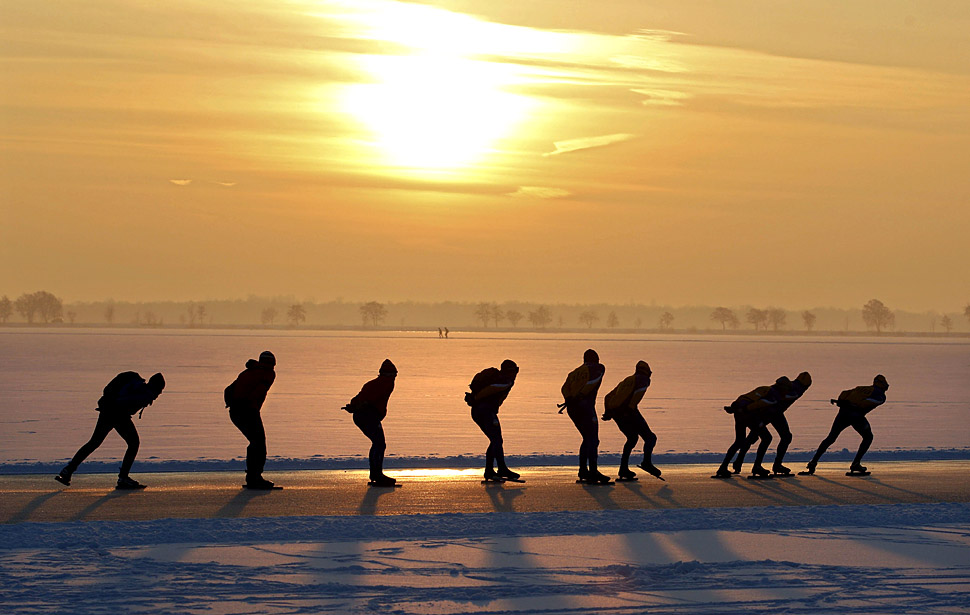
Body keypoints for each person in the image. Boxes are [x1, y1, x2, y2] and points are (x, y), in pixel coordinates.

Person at [56, 371, 166, 489]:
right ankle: (123, 478)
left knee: (94, 442)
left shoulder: (139, 387)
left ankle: (68, 470)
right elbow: (126, 405)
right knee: (133, 443)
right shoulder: (144, 393)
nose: (159, 394)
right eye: (160, 390)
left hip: (108, 412)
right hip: (117, 415)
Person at [801, 374, 889, 476]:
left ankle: (813, 463)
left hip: (843, 413)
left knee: (831, 438)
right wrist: (855, 407)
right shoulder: (880, 395)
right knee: (868, 437)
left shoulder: (861, 388)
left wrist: (842, 402)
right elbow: (866, 403)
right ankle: (856, 464)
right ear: (883, 386)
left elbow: (844, 393)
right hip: (856, 416)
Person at [732, 372, 812, 476]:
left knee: (755, 436)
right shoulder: (798, 390)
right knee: (781, 437)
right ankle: (766, 465)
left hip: (773, 412)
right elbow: (780, 395)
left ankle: (739, 461)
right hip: (770, 412)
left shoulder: (792, 385)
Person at [713, 376, 792, 479]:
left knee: (739, 441)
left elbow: (744, 397)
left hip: (739, 412)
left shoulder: (765, 388)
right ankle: (757, 467)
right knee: (767, 438)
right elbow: (761, 403)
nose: (786, 392)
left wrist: (734, 408)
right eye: (786, 390)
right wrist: (745, 409)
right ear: (782, 387)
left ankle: (723, 468)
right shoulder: (774, 395)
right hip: (748, 414)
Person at [224, 351, 277, 489]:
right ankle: (254, 477)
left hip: (239, 411)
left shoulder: (249, 372)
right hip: (247, 411)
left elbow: (230, 389)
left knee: (256, 443)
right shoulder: (265, 374)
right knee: (258, 443)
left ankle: (253, 476)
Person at [602, 360, 662, 481]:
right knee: (650, 438)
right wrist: (629, 410)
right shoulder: (643, 379)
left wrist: (608, 411)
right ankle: (646, 463)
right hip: (628, 411)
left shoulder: (627, 380)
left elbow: (608, 396)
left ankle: (623, 469)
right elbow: (636, 397)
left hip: (616, 413)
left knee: (632, 438)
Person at [344, 359, 398, 486]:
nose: (395, 378)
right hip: (367, 416)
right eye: (393, 375)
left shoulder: (376, 383)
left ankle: (376, 474)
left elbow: (359, 398)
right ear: (387, 375)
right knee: (379, 444)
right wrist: (355, 407)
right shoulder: (384, 384)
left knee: (378, 444)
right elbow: (366, 400)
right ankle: (376, 475)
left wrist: (353, 406)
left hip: (365, 415)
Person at [466, 359, 520, 481]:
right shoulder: (505, 381)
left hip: (479, 411)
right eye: (514, 371)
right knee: (496, 440)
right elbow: (491, 389)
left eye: (516, 371)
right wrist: (476, 398)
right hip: (485, 412)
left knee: (495, 440)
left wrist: (475, 399)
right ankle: (501, 469)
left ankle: (489, 471)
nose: (516, 374)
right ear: (508, 371)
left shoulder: (501, 379)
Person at [559, 349, 608, 483]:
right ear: (596, 359)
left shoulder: (574, 372)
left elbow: (564, 388)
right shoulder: (598, 368)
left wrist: (569, 398)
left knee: (587, 438)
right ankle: (592, 472)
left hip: (572, 408)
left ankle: (583, 471)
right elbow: (593, 381)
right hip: (585, 407)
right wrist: (581, 396)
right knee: (592, 439)